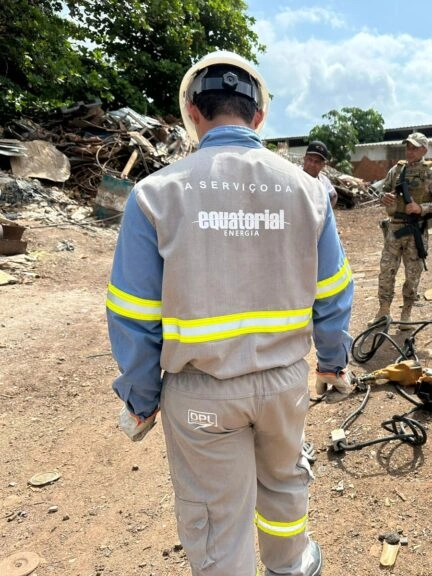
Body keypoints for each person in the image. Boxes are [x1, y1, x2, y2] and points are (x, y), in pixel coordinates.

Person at [106, 50, 354, 576]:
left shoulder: (154, 196)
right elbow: (333, 293)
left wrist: (143, 396)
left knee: (217, 516)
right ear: (259, 116)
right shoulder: (309, 192)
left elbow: (133, 313)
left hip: (202, 393)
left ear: (191, 114)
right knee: (285, 480)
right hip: (285, 383)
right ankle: (290, 566)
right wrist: (332, 363)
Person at [369, 131, 432, 327]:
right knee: (386, 271)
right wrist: (384, 197)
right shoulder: (397, 170)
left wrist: (422, 208)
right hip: (394, 229)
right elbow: (382, 189)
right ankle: (383, 311)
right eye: (408, 147)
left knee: (413, 274)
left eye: (414, 148)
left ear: (424, 150)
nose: (410, 151)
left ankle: (406, 313)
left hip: (416, 231)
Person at [303, 140, 338, 208]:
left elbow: (334, 196)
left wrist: (327, 212)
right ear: (304, 159)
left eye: (317, 162)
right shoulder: (295, 176)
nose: (312, 164)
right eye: (310, 159)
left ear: (323, 165)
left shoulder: (324, 181)